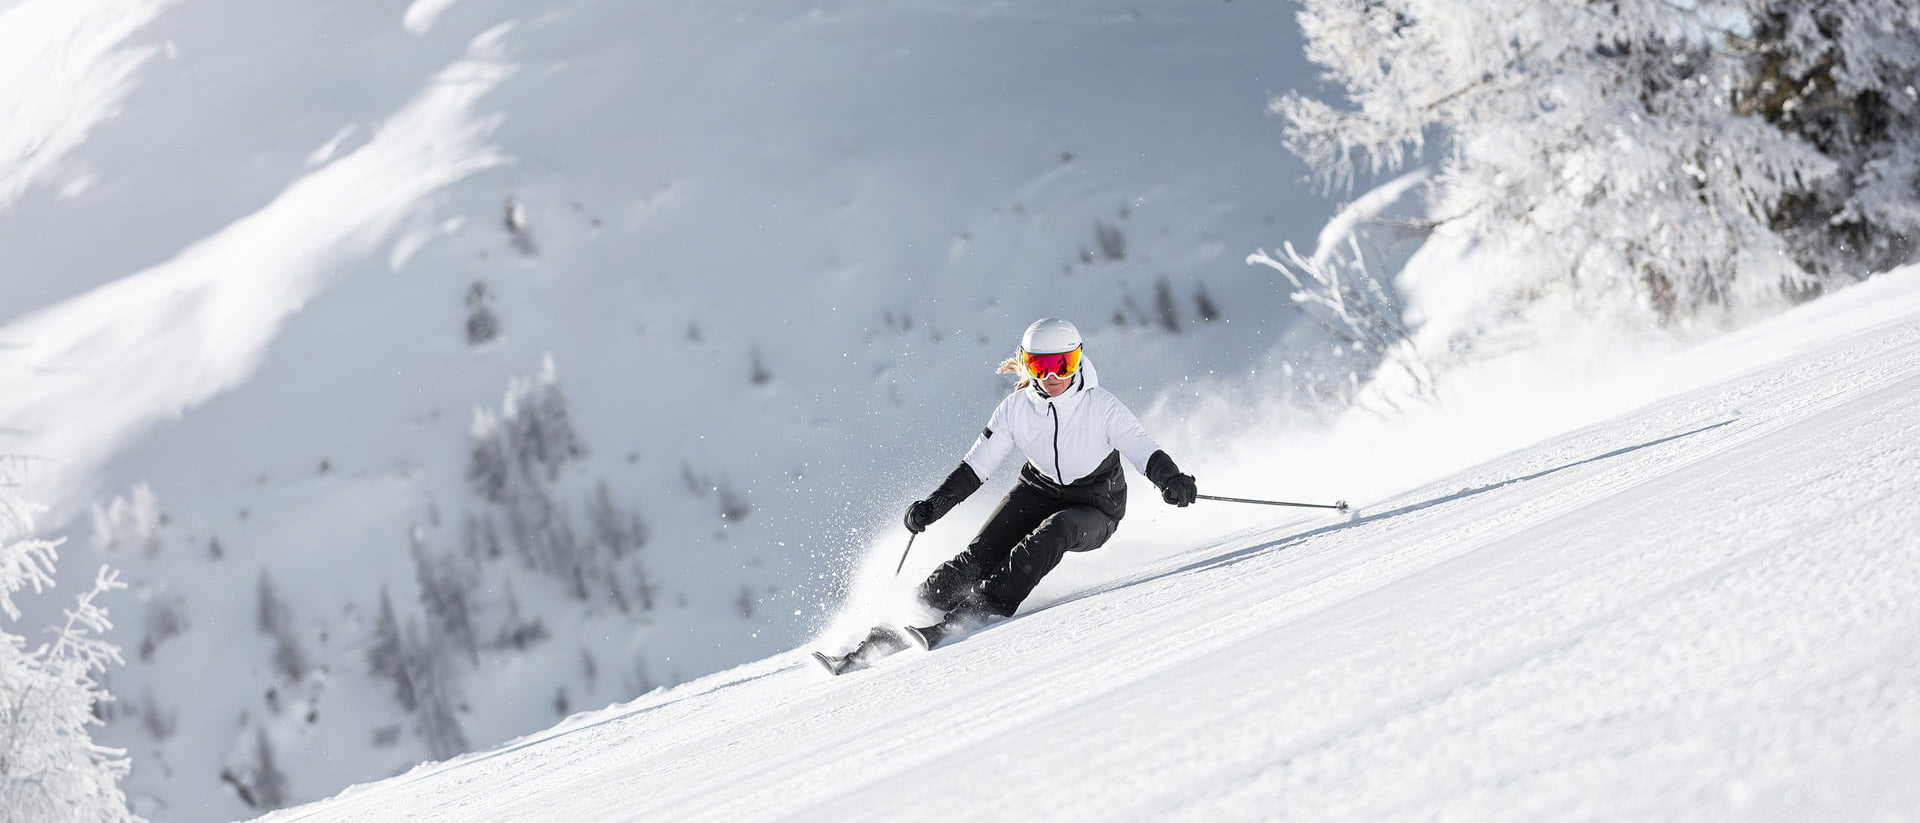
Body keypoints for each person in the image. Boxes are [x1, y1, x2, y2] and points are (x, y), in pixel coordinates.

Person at [904, 317, 1198, 628]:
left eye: (1063, 364)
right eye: (1040, 366)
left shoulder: (1101, 406)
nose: (1052, 376)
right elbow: (975, 468)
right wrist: (933, 506)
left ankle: (980, 607)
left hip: (1096, 505)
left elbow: (1142, 449)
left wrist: (1171, 478)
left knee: (1056, 530)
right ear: (1026, 364)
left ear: (1078, 360)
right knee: (980, 556)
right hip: (1037, 491)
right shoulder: (1015, 409)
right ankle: (915, 610)